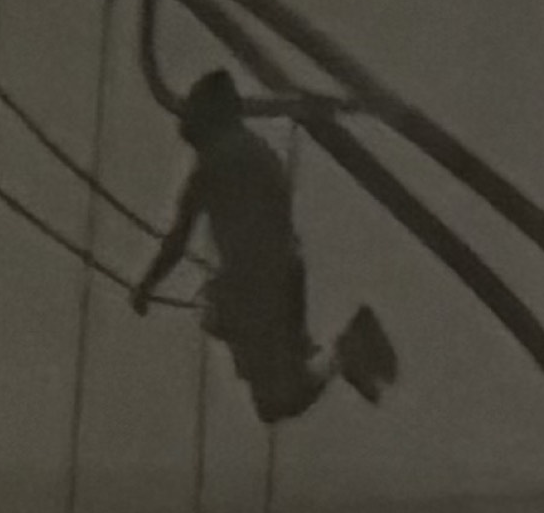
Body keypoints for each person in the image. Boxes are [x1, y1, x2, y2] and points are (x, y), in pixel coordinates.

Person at [135, 59, 399, 428]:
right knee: (279, 399)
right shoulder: (260, 152)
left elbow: (178, 240)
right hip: (285, 276)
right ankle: (342, 353)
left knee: (274, 400)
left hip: (254, 289)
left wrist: (146, 287)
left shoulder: (211, 165)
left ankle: (347, 348)